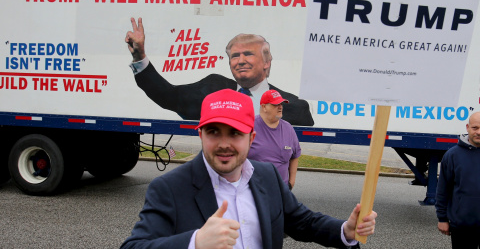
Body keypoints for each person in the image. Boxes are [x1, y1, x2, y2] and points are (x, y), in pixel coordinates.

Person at [121, 89, 376, 249]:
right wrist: (195, 243)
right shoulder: (169, 188)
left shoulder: (267, 177)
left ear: (251, 138)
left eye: (235, 133)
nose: (223, 144)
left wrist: (344, 230)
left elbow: (303, 222)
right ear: (200, 134)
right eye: (213, 132)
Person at [125, 17, 314, 126]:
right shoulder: (211, 90)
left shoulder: (293, 105)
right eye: (234, 56)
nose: (240, 61)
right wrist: (140, 57)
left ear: (267, 62)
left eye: (248, 54)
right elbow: (167, 95)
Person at [435, 111, 480, 249]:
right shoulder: (453, 155)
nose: (479, 132)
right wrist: (442, 218)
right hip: (462, 226)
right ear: (467, 127)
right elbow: (443, 189)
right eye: (475, 128)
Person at [247, 89, 301, 190]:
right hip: (255, 191)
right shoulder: (250, 126)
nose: (280, 107)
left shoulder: (288, 128)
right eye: (275, 104)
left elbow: (295, 156)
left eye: (281, 104)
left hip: (281, 192)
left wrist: (291, 182)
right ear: (264, 107)